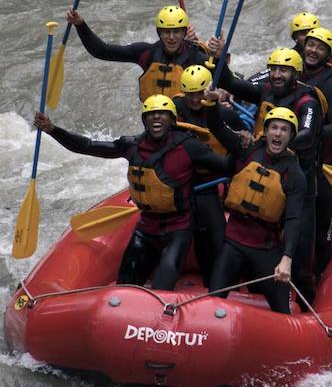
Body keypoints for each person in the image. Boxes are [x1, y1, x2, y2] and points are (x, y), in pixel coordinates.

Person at [33, 94, 231, 291]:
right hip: (145, 229)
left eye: (162, 114)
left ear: (172, 120)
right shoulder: (131, 146)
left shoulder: (189, 147)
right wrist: (52, 130)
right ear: (144, 121)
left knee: (161, 289)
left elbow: (227, 167)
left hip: (178, 230)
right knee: (124, 289)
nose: (156, 118)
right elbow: (87, 146)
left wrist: (245, 146)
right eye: (151, 115)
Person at [213, 47, 324, 304]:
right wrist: (219, 58)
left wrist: (282, 142)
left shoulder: (307, 102)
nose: (276, 74)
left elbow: (307, 134)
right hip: (263, 167)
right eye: (273, 69)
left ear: (294, 74)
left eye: (283, 70)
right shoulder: (266, 91)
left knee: (301, 250)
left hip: (296, 180)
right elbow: (229, 83)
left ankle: (308, 305)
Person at [204, 98, 306, 314]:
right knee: (212, 303)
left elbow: (294, 219)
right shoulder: (246, 150)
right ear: (266, 131)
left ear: (291, 136)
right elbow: (217, 128)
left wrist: (286, 259)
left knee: (282, 312)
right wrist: (212, 105)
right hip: (234, 243)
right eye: (274, 128)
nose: (278, 134)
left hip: (266, 249)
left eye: (284, 130)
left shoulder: (295, 175)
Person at [172, 65, 246, 286]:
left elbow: (242, 144)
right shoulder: (174, 108)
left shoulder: (225, 114)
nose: (195, 99)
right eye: (190, 94)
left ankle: (216, 284)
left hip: (208, 182)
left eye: (200, 93)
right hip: (180, 183)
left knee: (215, 237)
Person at [68, 5, 212, 102]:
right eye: (166, 32)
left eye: (177, 32)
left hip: (188, 126)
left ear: (184, 33)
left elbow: (222, 77)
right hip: (157, 125)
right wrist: (80, 25)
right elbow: (101, 51)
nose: (172, 37)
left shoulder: (195, 57)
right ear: (159, 33)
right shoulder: (147, 53)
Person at [299, 27, 332, 276]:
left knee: (322, 238)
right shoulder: (290, 71)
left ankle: (320, 287)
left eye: (319, 47)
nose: (313, 50)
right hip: (298, 165)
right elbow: (252, 85)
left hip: (325, 169)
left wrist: (310, 131)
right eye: (310, 45)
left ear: (328, 54)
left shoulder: (331, 83)